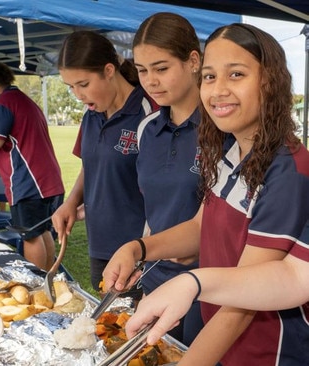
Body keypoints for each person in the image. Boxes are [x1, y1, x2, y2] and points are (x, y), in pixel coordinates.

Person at [103, 23, 309, 366]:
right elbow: (201, 228)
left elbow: (243, 304)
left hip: (265, 353)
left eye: (237, 74)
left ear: (270, 82)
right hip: (221, 341)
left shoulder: (288, 170)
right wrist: (138, 248)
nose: (218, 90)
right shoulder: (232, 152)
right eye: (210, 77)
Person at [51, 30, 157, 300]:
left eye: (83, 84)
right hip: (99, 243)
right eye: (70, 87)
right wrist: (71, 202)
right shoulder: (91, 115)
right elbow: (91, 165)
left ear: (109, 70)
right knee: (108, 327)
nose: (76, 94)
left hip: (140, 248)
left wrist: (144, 249)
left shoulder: (150, 113)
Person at [131, 12, 203, 345]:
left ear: (193, 61)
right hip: (155, 275)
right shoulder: (148, 129)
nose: (150, 81)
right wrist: (140, 255)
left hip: (208, 283)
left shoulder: (222, 130)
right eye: (142, 71)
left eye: (161, 69)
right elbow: (153, 210)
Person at [125, 250, 309, 346]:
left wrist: (191, 284)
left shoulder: (287, 182)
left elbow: (296, 277)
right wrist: (190, 284)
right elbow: (295, 274)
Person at [0, 60, 65, 271]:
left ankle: (35, 283)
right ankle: (46, 278)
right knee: (42, 231)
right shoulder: (24, 100)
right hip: (47, 179)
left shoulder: (3, 102)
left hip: (28, 181)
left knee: (28, 235)